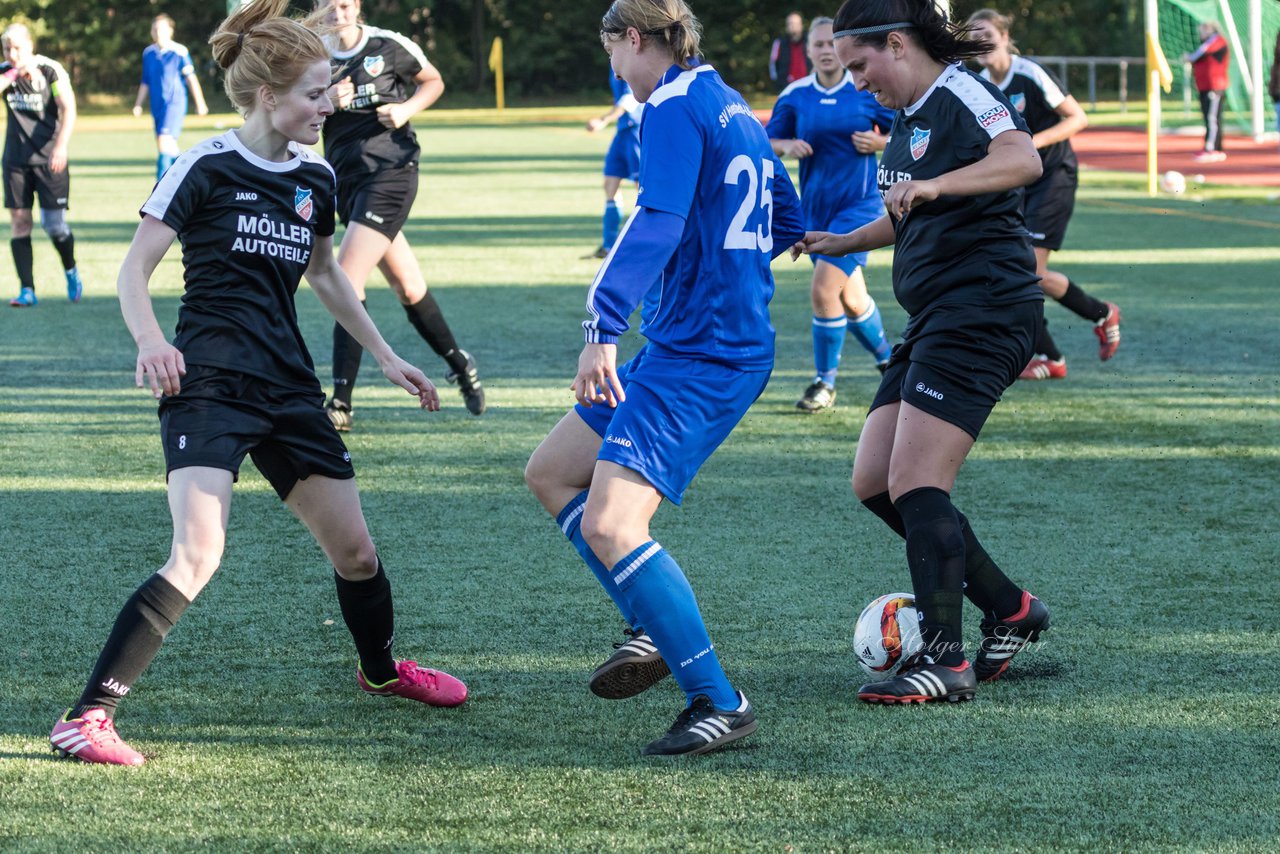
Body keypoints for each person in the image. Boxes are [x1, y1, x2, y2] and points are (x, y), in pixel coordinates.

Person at [48, 0, 466, 767]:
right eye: (314, 93)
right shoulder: (205, 165)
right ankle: (88, 716)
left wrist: (382, 352)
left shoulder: (313, 173)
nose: (328, 105)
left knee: (358, 555)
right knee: (197, 553)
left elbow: (326, 275)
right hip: (207, 384)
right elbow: (133, 270)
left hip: (288, 389)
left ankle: (380, 674)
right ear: (269, 96)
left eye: (330, 91)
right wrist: (150, 343)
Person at [524, 0, 803, 756]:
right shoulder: (728, 102)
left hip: (702, 355)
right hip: (696, 341)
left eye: (611, 51)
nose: (612, 68)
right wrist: (725, 274)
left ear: (634, 39)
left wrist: (602, 327)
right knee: (552, 473)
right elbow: (787, 213)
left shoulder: (673, 107)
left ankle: (719, 700)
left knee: (614, 525)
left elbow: (656, 220)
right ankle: (649, 622)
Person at [793, 0, 1051, 704]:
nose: (855, 81)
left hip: (985, 310)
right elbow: (905, 208)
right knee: (875, 482)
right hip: (937, 318)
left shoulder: (962, 91)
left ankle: (946, 661)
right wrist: (842, 242)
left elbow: (1022, 158)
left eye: (860, 65)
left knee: (914, 482)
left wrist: (937, 182)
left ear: (899, 44)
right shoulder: (906, 117)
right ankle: (1012, 607)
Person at [320, 0, 484, 429]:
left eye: (344, 4)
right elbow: (292, 107)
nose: (337, 12)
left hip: (391, 173)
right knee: (408, 287)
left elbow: (432, 81)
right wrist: (323, 99)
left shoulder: (387, 44)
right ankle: (459, 362)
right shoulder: (313, 54)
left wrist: (407, 109)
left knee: (345, 277)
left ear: (355, 6)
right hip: (346, 181)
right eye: (327, 5)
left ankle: (340, 402)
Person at [968, 9, 1120, 380]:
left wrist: (1031, 143)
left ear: (1005, 37)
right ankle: (1067, 341)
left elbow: (1077, 118)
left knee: (1028, 271)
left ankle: (1076, 333)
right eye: (973, 37)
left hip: (1053, 175)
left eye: (986, 33)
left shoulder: (1030, 73)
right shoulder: (979, 84)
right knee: (1010, 269)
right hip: (1015, 181)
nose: (980, 42)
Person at [767, 16, 896, 412]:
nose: (825, 52)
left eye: (830, 44)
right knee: (853, 300)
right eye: (818, 45)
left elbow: (909, 133)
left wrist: (880, 141)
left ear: (843, 49)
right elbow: (765, 144)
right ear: (807, 50)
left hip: (860, 207)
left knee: (825, 289)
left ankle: (824, 383)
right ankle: (891, 365)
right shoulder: (795, 95)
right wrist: (786, 146)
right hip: (816, 212)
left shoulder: (864, 90)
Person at [1, 23, 82, 306]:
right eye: (7, 49)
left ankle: (71, 270)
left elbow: (68, 107)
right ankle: (27, 290)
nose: (12, 53)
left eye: (17, 48)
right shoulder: (5, 72)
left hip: (50, 159)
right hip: (15, 161)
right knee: (20, 222)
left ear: (30, 46)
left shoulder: (50, 70)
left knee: (54, 225)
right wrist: (11, 74)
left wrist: (60, 146)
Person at [133, 14, 210, 182]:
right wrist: (138, 104)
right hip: (157, 105)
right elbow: (145, 81)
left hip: (174, 104)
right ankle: (189, 178)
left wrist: (200, 102)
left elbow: (191, 78)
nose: (157, 32)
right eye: (154, 28)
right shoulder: (148, 53)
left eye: (161, 28)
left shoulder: (179, 51)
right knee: (169, 147)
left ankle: (161, 185)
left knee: (164, 141)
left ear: (170, 31)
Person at [584, 72, 643, 259]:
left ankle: (644, 244)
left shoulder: (629, 55)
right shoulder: (614, 58)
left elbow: (630, 97)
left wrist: (603, 120)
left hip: (635, 129)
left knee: (642, 189)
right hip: (622, 131)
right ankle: (608, 246)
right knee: (610, 184)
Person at [1184, 20, 1229, 163]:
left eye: (1203, 30)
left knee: (1212, 118)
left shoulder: (1217, 41)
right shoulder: (1209, 43)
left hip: (1215, 86)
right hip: (1205, 86)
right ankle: (1212, 147)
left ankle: (1212, 149)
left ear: (1211, 29)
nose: (1201, 33)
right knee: (1209, 118)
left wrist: (1188, 57)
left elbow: (1197, 55)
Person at [769, 11, 812, 93]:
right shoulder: (779, 43)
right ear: (786, 26)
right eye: (790, 23)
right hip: (787, 88)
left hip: (808, 87)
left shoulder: (810, 41)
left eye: (796, 23)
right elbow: (773, 65)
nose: (793, 26)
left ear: (801, 25)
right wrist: (779, 83)